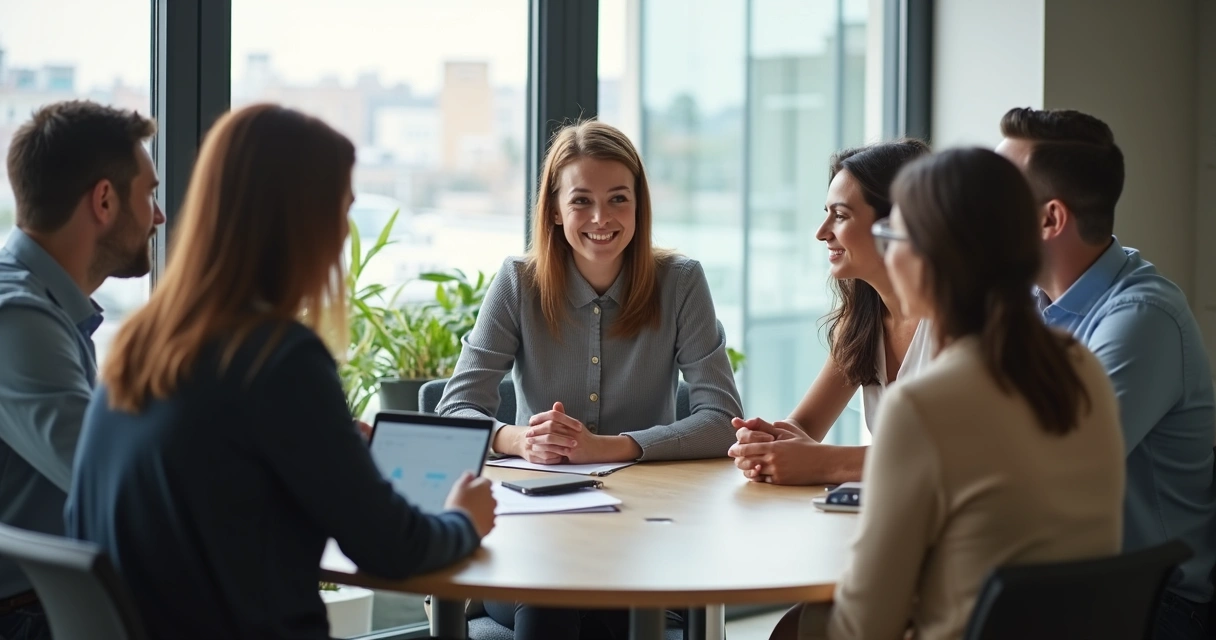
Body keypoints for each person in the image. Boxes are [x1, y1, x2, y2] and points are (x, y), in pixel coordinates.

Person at [64, 104, 496, 640]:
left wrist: (333, 451)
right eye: (342, 210)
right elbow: (393, 548)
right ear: (300, 221)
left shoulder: (141, 345)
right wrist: (464, 518)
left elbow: (226, 484)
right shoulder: (278, 356)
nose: (343, 235)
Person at [773, 148, 1125, 640]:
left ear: (932, 254)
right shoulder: (1080, 365)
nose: (890, 257)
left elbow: (864, 626)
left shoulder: (922, 406)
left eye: (894, 238)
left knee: (802, 628)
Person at [437, 120, 742, 639]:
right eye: (582, 201)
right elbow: (454, 411)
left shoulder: (681, 282)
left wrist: (607, 446)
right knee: (551, 598)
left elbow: (721, 421)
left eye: (619, 199)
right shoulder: (517, 283)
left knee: (611, 607)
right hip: (531, 542)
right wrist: (523, 441)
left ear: (639, 206)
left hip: (643, 536)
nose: (601, 218)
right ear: (555, 210)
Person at [997, 107, 1216, 640]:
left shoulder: (1142, 317)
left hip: (1154, 606)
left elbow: (1046, 467)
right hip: (1060, 579)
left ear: (1050, 219)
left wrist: (842, 464)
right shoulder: (1026, 303)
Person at [0, 100, 162, 638]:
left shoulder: (45, 306)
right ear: (105, 200)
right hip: (29, 616)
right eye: (150, 195)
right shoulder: (17, 316)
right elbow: (106, 473)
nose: (159, 216)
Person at [729, 139, 931, 486]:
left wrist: (824, 463)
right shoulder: (861, 323)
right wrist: (768, 441)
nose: (822, 233)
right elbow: (805, 426)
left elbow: (953, 457)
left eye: (840, 216)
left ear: (897, 224)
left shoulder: (962, 322)